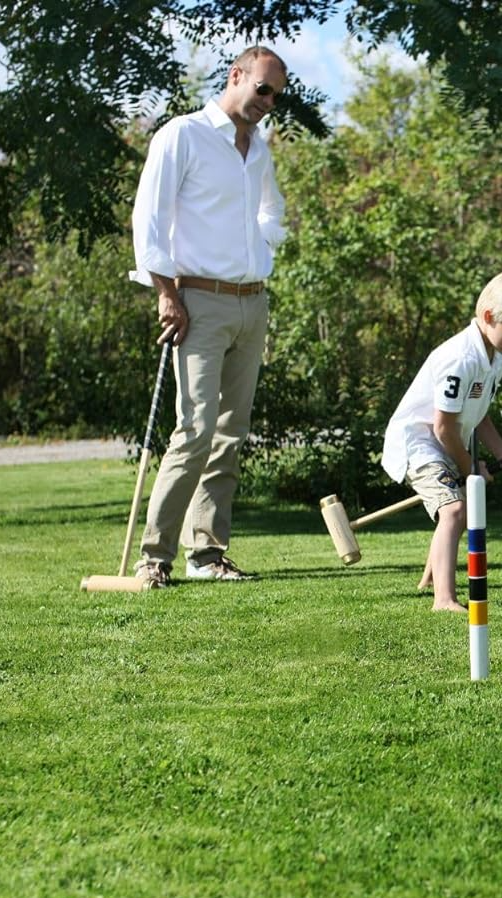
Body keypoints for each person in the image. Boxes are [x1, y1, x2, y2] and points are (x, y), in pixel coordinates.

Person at [128, 46, 290, 588]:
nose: (267, 102)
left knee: (230, 432)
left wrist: (259, 246)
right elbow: (147, 221)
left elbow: (272, 211)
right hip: (196, 299)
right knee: (194, 430)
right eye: (261, 89)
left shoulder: (258, 150)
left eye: (276, 96)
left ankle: (208, 553)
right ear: (236, 76)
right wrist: (166, 293)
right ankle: (154, 557)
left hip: (253, 302)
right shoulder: (183, 134)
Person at [381, 270, 502, 612]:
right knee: (455, 508)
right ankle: (443, 599)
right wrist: (471, 467)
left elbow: (479, 411)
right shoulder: (462, 359)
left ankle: (432, 576)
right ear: (488, 317)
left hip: (442, 439)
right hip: (418, 442)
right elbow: (443, 427)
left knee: (455, 507)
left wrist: (500, 451)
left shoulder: (496, 358)